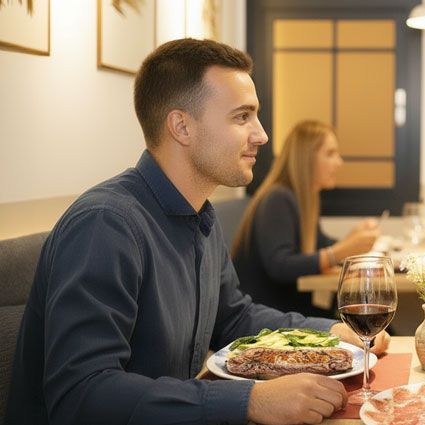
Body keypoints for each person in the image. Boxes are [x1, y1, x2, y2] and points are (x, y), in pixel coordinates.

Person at [6, 38, 389, 425]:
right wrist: (249, 400)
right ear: (182, 127)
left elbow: (236, 320)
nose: (262, 135)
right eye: (242, 117)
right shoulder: (106, 225)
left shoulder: (200, 216)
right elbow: (81, 395)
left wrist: (332, 331)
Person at [231, 120, 379, 318]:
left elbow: (320, 244)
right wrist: (344, 250)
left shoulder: (304, 199)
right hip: (269, 315)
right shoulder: (278, 198)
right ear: (306, 158)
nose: (339, 162)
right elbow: (281, 265)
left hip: (289, 308)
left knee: (369, 312)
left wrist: (354, 242)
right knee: (367, 315)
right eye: (330, 154)